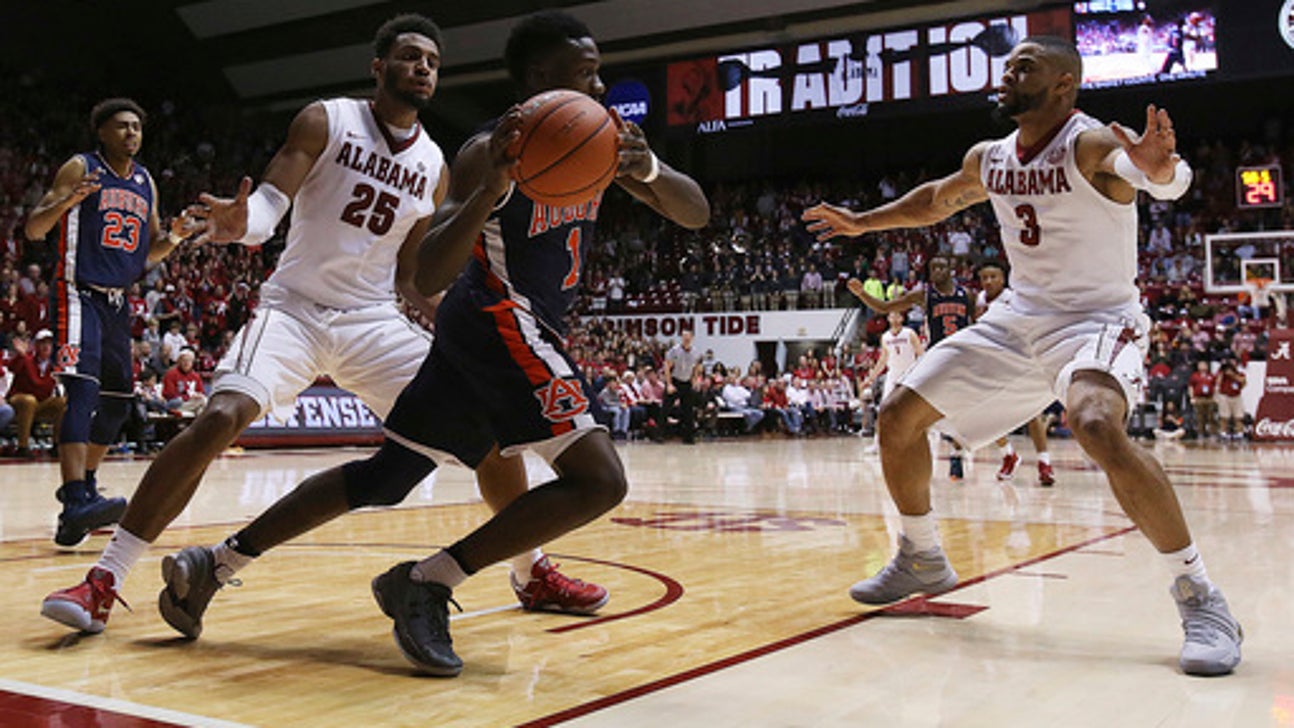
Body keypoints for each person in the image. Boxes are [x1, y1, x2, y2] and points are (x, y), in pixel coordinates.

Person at [171, 9, 704, 677]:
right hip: (501, 317)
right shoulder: (488, 148)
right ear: (542, 79)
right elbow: (427, 273)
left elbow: (696, 211)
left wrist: (651, 169)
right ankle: (430, 581)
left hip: (500, 329)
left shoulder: (598, 140)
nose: (600, 90)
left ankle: (216, 564)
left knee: (387, 476)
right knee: (599, 480)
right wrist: (488, 193)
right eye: (587, 75)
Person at [40, 14, 606, 637]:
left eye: (433, 62)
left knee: (490, 437)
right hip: (295, 310)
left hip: (374, 321)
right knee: (221, 417)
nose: (423, 68)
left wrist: (469, 337)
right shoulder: (327, 119)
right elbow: (271, 202)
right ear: (379, 66)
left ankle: (531, 570)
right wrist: (242, 223)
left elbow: (415, 276)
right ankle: (106, 579)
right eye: (411, 56)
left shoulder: (434, 164)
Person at [802, 37, 1241, 676]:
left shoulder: (1087, 144)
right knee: (897, 415)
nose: (1009, 73)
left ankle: (1202, 597)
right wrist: (863, 222)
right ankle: (921, 556)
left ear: (1065, 84)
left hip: (1096, 319)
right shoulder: (991, 156)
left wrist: (1161, 168)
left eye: (1025, 66)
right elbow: (939, 198)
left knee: (1094, 423)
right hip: (1017, 317)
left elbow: (1154, 176)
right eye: (1008, 65)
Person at [23, 98, 186, 547]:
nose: (131, 133)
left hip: (119, 303)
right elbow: (34, 230)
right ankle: (74, 498)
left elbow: (149, 251)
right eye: (121, 126)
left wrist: (177, 236)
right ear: (101, 133)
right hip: (78, 293)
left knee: (116, 403)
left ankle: (86, 491)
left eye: (137, 126)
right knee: (82, 390)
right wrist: (68, 202)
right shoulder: (81, 167)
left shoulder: (145, 180)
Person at [847, 253, 974, 480]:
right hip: (937, 358)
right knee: (914, 411)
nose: (936, 272)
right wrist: (862, 294)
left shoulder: (967, 295)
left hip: (963, 357)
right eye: (932, 268)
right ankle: (915, 460)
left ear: (950, 270)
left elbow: (976, 324)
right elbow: (885, 306)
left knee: (965, 411)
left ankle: (988, 453)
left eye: (941, 268)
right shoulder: (924, 295)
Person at [975, 259, 1055, 486]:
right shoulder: (980, 300)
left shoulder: (1013, 299)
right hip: (993, 361)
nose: (989, 281)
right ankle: (1008, 455)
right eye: (984, 277)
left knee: (1031, 414)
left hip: (1019, 358)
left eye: (993, 277)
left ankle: (1044, 463)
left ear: (1003, 278)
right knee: (987, 414)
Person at [859, 310, 924, 454]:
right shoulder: (885, 337)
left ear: (902, 318)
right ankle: (877, 443)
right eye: (891, 315)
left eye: (897, 315)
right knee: (883, 410)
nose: (894, 317)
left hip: (909, 375)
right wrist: (870, 378)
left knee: (912, 412)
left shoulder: (910, 333)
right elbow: (883, 360)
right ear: (888, 318)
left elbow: (921, 355)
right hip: (893, 375)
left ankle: (917, 443)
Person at [8, 330, 65, 455]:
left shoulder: (55, 366)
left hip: (41, 402)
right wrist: (20, 355)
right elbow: (11, 368)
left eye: (49, 343)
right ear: (36, 345)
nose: (46, 346)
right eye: (42, 343)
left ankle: (57, 445)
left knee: (62, 402)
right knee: (29, 401)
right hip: (18, 400)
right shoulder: (26, 358)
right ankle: (22, 447)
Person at [664, 329, 703, 444]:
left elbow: (696, 367)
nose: (686, 338)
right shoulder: (674, 350)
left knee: (688, 411)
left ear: (692, 337)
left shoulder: (696, 352)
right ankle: (660, 434)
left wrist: (694, 380)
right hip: (675, 380)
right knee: (665, 408)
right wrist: (669, 384)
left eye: (688, 336)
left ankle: (688, 437)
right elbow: (667, 367)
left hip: (686, 382)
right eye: (684, 336)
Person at [1216, 359, 1246, 440]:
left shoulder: (1240, 374)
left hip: (1236, 396)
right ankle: (1223, 433)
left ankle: (1239, 433)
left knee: (1239, 416)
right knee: (1224, 416)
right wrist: (1222, 373)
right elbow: (1217, 383)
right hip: (1225, 396)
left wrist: (1233, 375)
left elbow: (1243, 382)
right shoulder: (1221, 374)